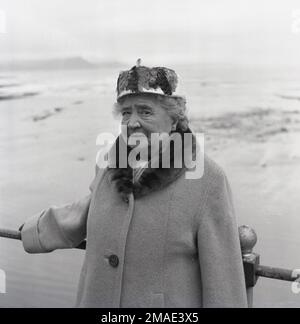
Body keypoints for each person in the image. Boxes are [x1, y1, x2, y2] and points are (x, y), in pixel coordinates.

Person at [20, 60, 248, 308]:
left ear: (174, 120)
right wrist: (34, 231)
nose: (132, 122)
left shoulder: (208, 180)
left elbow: (225, 286)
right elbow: (86, 212)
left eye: (145, 111)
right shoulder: (109, 168)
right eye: (126, 112)